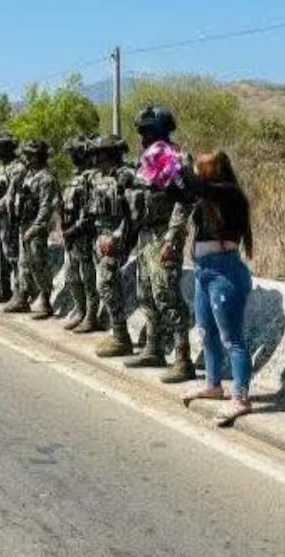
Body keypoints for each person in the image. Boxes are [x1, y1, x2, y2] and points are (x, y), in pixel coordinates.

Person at [180, 152, 255, 422]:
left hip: (226, 273)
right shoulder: (206, 198)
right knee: (206, 332)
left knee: (232, 339)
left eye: (201, 168)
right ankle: (213, 385)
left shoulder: (229, 193)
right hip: (203, 272)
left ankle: (241, 397)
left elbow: (197, 185)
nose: (197, 173)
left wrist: (182, 164)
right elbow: (182, 191)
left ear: (214, 171)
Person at [127, 105, 196, 383]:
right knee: (145, 294)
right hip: (144, 236)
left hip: (163, 236)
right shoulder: (144, 161)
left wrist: (172, 239)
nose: (141, 136)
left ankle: (183, 359)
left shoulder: (175, 158)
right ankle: (153, 348)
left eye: (146, 131)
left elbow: (184, 202)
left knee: (167, 295)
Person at [91, 135, 140, 356]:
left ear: (110, 155)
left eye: (100, 155)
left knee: (106, 283)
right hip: (101, 237)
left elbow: (131, 214)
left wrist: (117, 237)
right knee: (104, 284)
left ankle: (122, 337)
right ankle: (117, 332)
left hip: (116, 239)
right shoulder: (100, 177)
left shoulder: (126, 176)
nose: (96, 160)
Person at [4, 140, 58, 319]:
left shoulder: (46, 179)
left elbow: (45, 208)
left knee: (38, 263)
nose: (25, 158)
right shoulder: (27, 175)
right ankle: (22, 297)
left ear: (37, 157)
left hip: (36, 227)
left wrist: (34, 229)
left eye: (29, 155)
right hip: (24, 224)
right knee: (23, 264)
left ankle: (45, 299)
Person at [61, 136, 101, 332]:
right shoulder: (75, 177)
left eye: (75, 154)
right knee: (71, 275)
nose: (73, 158)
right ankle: (79, 310)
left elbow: (91, 211)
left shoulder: (92, 178)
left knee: (88, 278)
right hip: (71, 237)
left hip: (84, 235)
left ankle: (91, 316)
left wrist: (75, 229)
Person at [0, 133, 27, 302]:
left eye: (1, 148)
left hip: (9, 219)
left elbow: (10, 196)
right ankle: (4, 289)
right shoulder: (1, 169)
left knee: (13, 256)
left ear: (10, 149)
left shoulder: (18, 168)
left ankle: (19, 294)